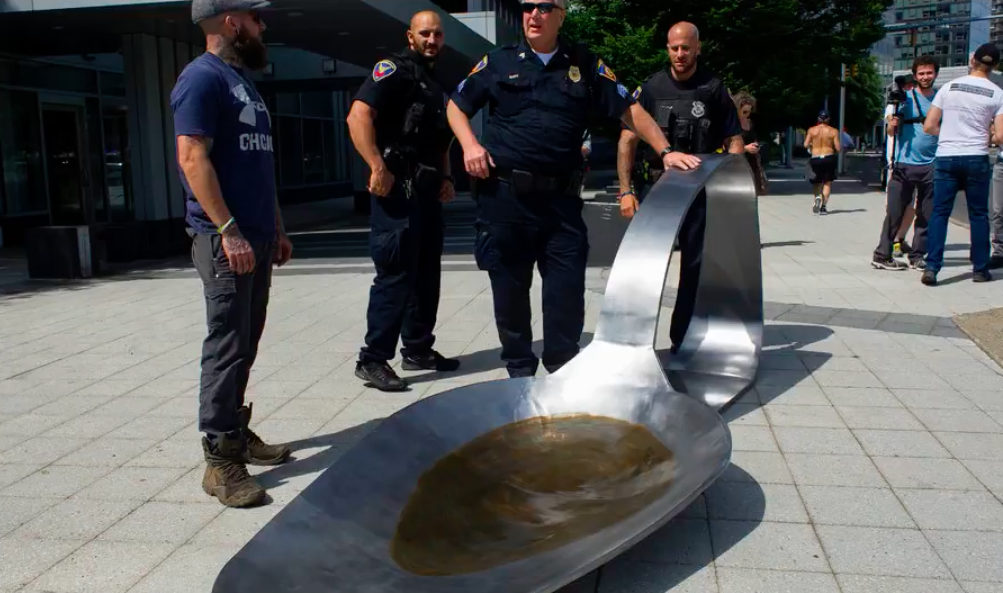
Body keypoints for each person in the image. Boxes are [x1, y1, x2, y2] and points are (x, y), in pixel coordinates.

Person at [446, 0, 686, 378]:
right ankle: (520, 374)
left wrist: (666, 150)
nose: (533, 14)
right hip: (506, 199)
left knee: (567, 292)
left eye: (544, 7)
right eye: (526, 7)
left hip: (561, 202)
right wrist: (470, 146)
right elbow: (456, 106)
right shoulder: (499, 62)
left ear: (561, 14)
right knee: (509, 292)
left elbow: (630, 109)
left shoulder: (585, 64)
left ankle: (561, 370)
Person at [171, 0, 293, 508]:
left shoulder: (239, 80)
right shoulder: (202, 79)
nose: (263, 26)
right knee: (226, 344)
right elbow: (191, 156)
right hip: (227, 240)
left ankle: (237, 433)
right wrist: (228, 230)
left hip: (257, 236)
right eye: (256, 17)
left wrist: (276, 227)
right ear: (230, 21)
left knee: (246, 340)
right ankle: (221, 462)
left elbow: (257, 165)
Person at [346, 11, 460, 392]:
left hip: (427, 190)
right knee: (395, 274)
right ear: (410, 36)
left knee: (427, 273)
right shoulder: (392, 69)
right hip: (396, 189)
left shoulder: (435, 80)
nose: (432, 40)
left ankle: (417, 349)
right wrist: (376, 165)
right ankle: (373, 359)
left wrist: (446, 177)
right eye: (425, 33)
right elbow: (357, 116)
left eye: (438, 34)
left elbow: (440, 139)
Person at [617, 22, 744, 353]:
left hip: (699, 193)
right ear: (667, 49)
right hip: (656, 190)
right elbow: (627, 139)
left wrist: (732, 193)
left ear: (697, 48)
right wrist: (626, 190)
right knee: (644, 264)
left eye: (686, 48)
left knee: (695, 266)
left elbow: (734, 142)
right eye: (674, 48)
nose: (679, 54)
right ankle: (633, 343)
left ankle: (682, 338)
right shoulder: (650, 88)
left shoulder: (714, 89)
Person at [922, 43, 1003, 286]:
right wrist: (985, 137)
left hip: (946, 155)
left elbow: (928, 126)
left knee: (939, 213)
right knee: (979, 215)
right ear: (995, 66)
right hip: (977, 156)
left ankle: (932, 267)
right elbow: (1000, 136)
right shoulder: (997, 93)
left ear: (973, 61)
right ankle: (980, 269)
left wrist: (947, 134)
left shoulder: (949, 87)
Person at [872, 56, 940, 272]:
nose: (925, 77)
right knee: (895, 210)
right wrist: (891, 125)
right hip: (904, 162)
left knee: (926, 213)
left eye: (929, 72)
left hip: (933, 163)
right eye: (921, 73)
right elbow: (891, 131)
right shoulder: (904, 98)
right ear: (915, 75)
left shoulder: (941, 99)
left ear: (935, 73)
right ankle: (882, 254)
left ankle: (918, 255)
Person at [804, 110, 841, 215]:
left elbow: (805, 145)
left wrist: (812, 144)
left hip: (815, 158)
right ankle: (823, 207)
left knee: (816, 182)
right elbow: (838, 148)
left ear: (818, 119)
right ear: (828, 119)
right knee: (827, 182)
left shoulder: (811, 130)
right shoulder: (834, 131)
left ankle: (817, 198)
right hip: (829, 157)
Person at [734, 90, 768, 195]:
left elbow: (752, 138)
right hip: (737, 164)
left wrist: (756, 145)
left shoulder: (750, 122)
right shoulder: (731, 124)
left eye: (749, 111)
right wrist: (745, 148)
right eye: (744, 112)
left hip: (752, 163)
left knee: (753, 194)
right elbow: (724, 146)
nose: (747, 115)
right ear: (737, 109)